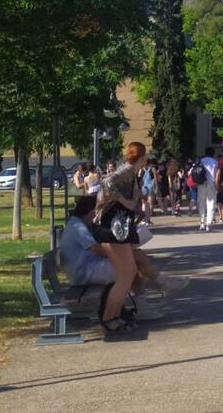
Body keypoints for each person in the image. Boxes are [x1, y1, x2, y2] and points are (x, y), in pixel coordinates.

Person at [60, 195, 187, 323]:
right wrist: (120, 252)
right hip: (85, 273)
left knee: (133, 261)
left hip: (90, 268)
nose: (97, 214)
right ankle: (159, 285)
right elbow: (97, 249)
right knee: (133, 262)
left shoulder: (79, 224)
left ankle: (157, 289)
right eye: (96, 211)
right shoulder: (77, 227)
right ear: (89, 211)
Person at [91, 142, 148, 334]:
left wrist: (134, 207)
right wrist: (126, 202)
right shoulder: (127, 170)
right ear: (142, 157)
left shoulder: (131, 172)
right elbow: (107, 183)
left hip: (118, 228)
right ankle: (109, 318)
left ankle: (114, 316)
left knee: (129, 272)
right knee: (125, 276)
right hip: (112, 229)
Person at [195, 147, 219, 232]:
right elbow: (216, 173)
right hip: (211, 183)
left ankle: (202, 223)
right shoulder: (215, 162)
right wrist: (217, 184)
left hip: (201, 183)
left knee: (201, 202)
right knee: (211, 203)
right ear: (213, 153)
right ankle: (209, 224)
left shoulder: (201, 161)